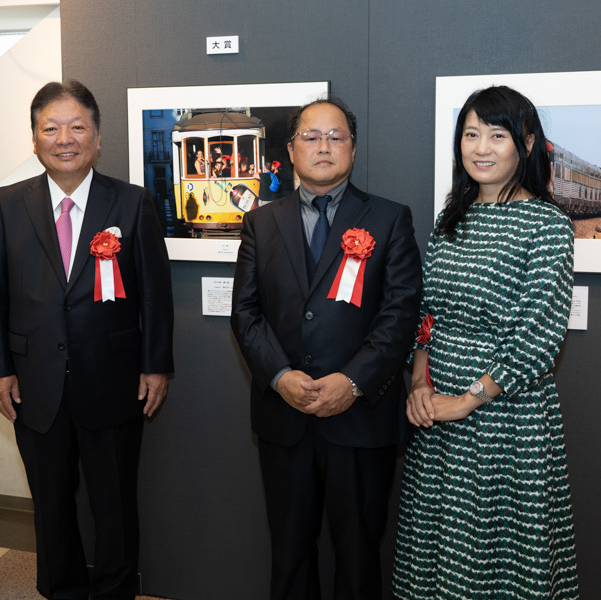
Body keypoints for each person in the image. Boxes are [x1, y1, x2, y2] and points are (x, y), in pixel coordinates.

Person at [0, 80, 174, 600]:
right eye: (51, 128)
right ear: (35, 139)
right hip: (33, 383)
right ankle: (60, 588)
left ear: (98, 136)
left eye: (77, 126)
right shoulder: (5, 204)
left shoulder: (132, 204)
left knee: (114, 502)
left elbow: (156, 293)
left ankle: (113, 591)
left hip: (113, 382)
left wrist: (156, 366)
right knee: (51, 501)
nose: (65, 138)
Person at [231, 97, 422, 600]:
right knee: (290, 553)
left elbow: (399, 316)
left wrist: (353, 381)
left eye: (336, 136)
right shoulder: (261, 223)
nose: (324, 146)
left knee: (358, 554)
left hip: (359, 420)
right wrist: (280, 376)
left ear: (353, 149)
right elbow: (245, 315)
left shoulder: (388, 219)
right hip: (284, 418)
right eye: (311, 137)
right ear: (291, 150)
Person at [393, 86, 580, 599]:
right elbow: (426, 315)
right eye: (471, 134)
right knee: (438, 542)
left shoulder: (547, 224)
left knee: (497, 551)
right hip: (436, 407)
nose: (481, 147)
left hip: (505, 414)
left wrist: (469, 399)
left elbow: (538, 335)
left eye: (496, 135)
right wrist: (418, 384)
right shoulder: (449, 219)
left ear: (525, 143)